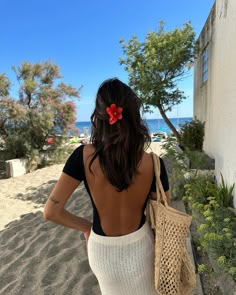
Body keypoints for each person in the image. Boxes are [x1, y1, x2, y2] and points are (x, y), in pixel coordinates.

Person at [44, 78, 170, 295]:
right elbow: (164, 214)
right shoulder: (153, 163)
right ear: (134, 116)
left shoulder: (81, 156)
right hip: (141, 248)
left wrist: (85, 227)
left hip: (102, 252)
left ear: (99, 117)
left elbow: (51, 212)